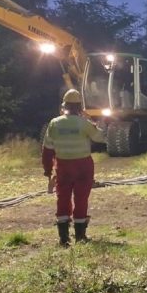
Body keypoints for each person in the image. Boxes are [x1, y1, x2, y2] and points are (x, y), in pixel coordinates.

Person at [42, 89, 106, 246]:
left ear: (64, 106)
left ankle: (64, 238)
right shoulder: (84, 124)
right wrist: (94, 122)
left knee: (62, 199)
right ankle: (80, 236)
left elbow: (47, 149)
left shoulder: (54, 123)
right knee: (81, 199)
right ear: (79, 107)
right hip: (83, 167)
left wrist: (47, 169)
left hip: (63, 167)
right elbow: (100, 137)